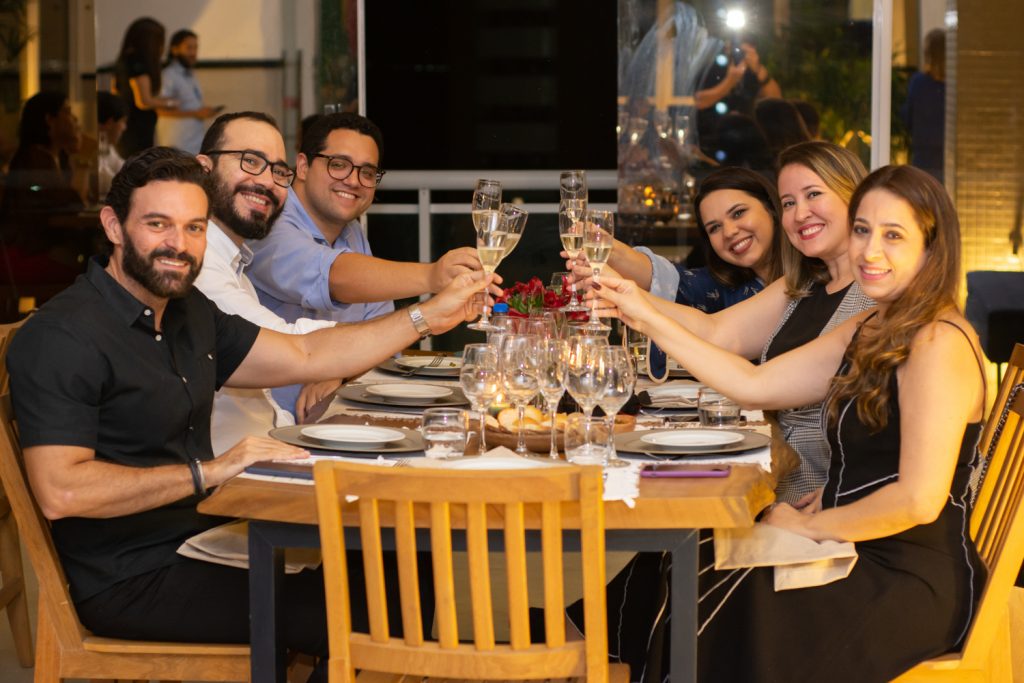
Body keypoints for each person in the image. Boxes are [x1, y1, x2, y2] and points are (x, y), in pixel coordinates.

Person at [6, 147, 490, 679]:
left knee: (403, 560)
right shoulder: (63, 336)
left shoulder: (185, 310)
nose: (178, 245)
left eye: (194, 228)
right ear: (113, 227)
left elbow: (305, 355)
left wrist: (428, 317)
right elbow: (62, 491)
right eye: (158, 224)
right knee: (370, 609)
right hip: (135, 576)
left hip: (208, 537)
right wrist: (211, 471)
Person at [588, 164, 986, 682]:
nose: (869, 251)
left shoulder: (938, 342)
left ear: (932, 248)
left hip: (905, 577)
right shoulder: (874, 323)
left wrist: (810, 525)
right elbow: (757, 384)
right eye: (863, 230)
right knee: (699, 561)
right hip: (862, 548)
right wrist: (643, 314)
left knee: (725, 591)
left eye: (893, 236)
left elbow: (918, 500)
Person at [580, 141, 873, 503]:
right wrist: (627, 297)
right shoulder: (805, 283)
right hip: (773, 481)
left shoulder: (873, 301)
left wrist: (641, 310)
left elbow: (754, 385)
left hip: (814, 496)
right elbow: (717, 332)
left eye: (813, 194)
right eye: (789, 203)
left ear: (856, 195)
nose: (800, 215)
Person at [246, 112, 482, 415]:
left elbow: (385, 333)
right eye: (339, 165)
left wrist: (341, 370)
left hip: (333, 419)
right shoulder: (269, 223)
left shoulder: (352, 231)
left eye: (367, 172)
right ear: (302, 166)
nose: (354, 181)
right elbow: (333, 277)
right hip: (266, 427)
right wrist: (433, 275)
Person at [0, 92, 87, 288]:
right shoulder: (34, 160)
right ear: (50, 120)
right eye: (68, 112)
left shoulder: (56, 159)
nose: (75, 120)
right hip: (23, 255)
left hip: (42, 249)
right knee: (95, 272)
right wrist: (83, 158)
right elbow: (74, 201)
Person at [695, 40, 780, 156]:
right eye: (737, 48)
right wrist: (729, 82)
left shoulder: (754, 71)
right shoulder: (711, 65)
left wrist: (759, 70)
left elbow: (776, 100)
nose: (739, 53)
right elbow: (698, 102)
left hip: (748, 143)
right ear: (727, 46)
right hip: (712, 141)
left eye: (746, 49)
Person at [114, 17, 177, 158]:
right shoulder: (139, 64)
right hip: (137, 128)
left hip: (128, 125)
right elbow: (144, 101)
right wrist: (170, 103)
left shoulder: (124, 60)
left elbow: (116, 90)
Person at [155, 29, 221, 154]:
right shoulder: (168, 75)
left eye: (195, 48)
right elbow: (160, 110)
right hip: (176, 143)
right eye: (188, 48)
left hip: (194, 142)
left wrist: (203, 112)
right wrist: (196, 113)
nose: (193, 53)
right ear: (175, 50)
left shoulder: (190, 74)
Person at [902, 28, 946, 183]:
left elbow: (907, 118)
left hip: (923, 160)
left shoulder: (918, 82)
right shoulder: (955, 86)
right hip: (949, 160)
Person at [97, 91, 128, 199]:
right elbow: (106, 182)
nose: (124, 127)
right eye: (123, 121)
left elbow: (123, 168)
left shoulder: (106, 146)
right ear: (109, 123)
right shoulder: (93, 146)